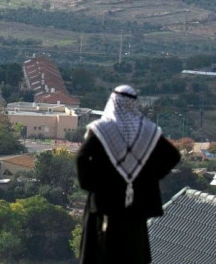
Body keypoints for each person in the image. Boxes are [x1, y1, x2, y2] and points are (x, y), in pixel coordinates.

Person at [76, 85, 181, 264]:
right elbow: (172, 156)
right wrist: (148, 178)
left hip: (105, 204)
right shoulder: (147, 131)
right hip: (136, 205)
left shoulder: (102, 130)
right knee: (133, 251)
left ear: (113, 101)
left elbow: (82, 157)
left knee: (102, 252)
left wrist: (93, 184)